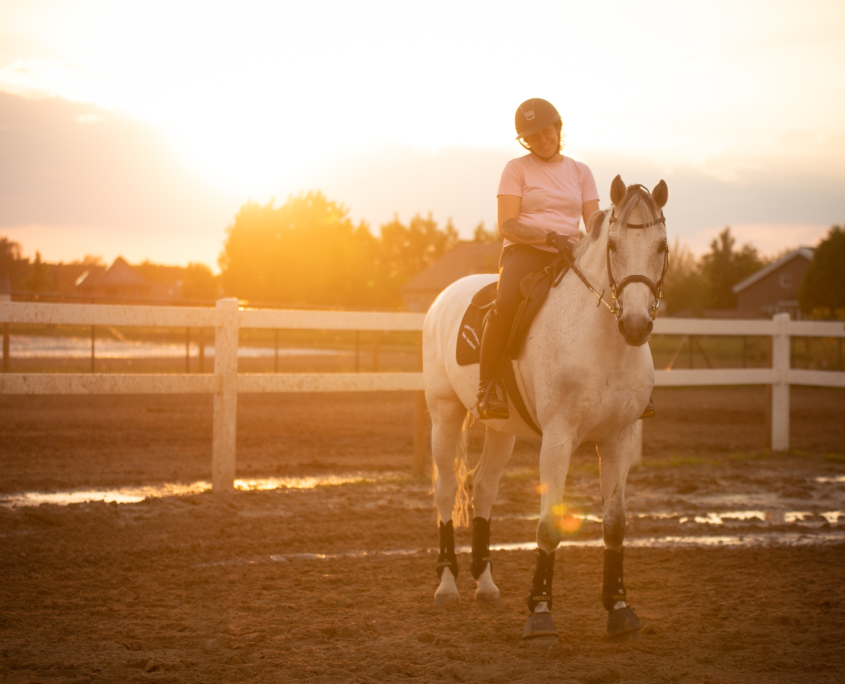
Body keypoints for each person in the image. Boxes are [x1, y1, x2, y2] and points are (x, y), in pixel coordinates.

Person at [476, 98, 600, 420]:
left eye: (547, 132)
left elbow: (594, 224)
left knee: (612, 296)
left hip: (570, 253)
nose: (542, 141)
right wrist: (546, 237)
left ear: (558, 128)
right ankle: (487, 387)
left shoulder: (580, 171)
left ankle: (628, 385)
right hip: (526, 251)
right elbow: (507, 224)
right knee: (505, 302)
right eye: (532, 137)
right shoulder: (516, 169)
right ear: (524, 141)